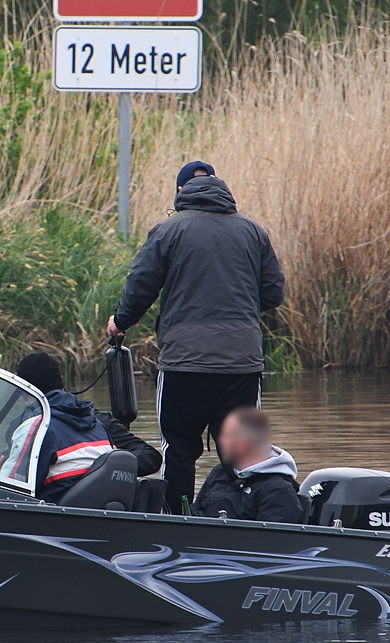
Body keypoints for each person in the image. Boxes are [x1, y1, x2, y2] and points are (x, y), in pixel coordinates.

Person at [107, 161, 285, 513]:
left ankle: (178, 521)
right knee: (244, 453)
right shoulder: (254, 232)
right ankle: (250, 522)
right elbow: (273, 294)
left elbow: (141, 286)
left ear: (179, 193)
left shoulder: (167, 230)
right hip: (241, 364)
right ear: (223, 190)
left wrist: (120, 321)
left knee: (180, 449)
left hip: (183, 365)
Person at [10, 352, 161, 503]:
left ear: (24, 395)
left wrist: (106, 467)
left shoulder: (99, 422)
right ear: (62, 385)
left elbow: (14, 488)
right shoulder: (98, 424)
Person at [192, 407, 305, 523]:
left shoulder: (279, 491)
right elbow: (194, 516)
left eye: (226, 436)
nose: (220, 441)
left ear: (243, 444)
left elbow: (273, 539)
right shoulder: (219, 473)